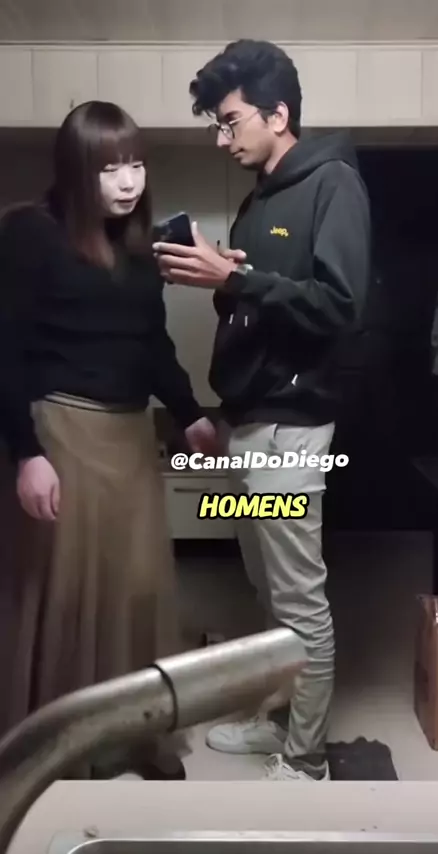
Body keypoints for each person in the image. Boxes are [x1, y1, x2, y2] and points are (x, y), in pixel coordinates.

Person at [155, 39, 371, 782]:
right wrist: (220, 275)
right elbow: (257, 307)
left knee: (299, 598)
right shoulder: (259, 200)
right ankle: (278, 720)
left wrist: (236, 282)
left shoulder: (334, 184)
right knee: (267, 585)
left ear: (278, 115)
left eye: (231, 121)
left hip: (292, 429)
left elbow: (341, 308)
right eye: (217, 125)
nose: (223, 138)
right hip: (248, 423)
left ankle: (306, 760)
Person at [0, 100, 216, 778]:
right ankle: (56, 747)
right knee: (66, 597)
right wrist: (26, 452)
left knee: (137, 589)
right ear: (75, 171)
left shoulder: (139, 248)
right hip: (62, 435)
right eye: (109, 167)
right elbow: (5, 350)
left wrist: (189, 412)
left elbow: (151, 343)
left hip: (130, 439)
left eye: (136, 164)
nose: (128, 181)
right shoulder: (30, 234)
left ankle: (135, 736)